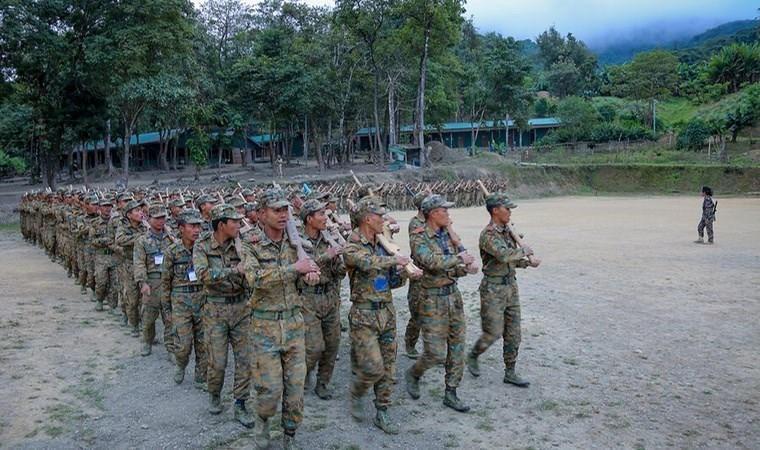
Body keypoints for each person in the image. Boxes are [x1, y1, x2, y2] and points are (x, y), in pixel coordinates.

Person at [242, 189, 319, 449]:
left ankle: (290, 434)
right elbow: (255, 279)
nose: (283, 214)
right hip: (264, 327)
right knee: (270, 390)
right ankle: (262, 422)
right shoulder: (250, 242)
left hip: (295, 324)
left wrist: (309, 275)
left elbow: (309, 269)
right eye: (276, 210)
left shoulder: (296, 242)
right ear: (262, 214)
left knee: (296, 390)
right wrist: (293, 269)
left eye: (286, 209)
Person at [343, 196, 419, 434]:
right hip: (364, 315)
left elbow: (390, 282)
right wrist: (393, 260)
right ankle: (357, 391)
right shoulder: (353, 245)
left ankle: (382, 411)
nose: (384, 220)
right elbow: (366, 263)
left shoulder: (383, 244)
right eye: (380, 216)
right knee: (373, 367)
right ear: (368, 218)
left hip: (386, 312)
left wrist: (405, 273)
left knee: (388, 367)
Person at [406, 195, 477, 412]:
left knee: (457, 345)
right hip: (432, 299)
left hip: (453, 296)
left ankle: (451, 392)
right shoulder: (419, 238)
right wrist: (460, 260)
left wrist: (465, 269)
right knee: (435, 353)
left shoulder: (447, 236)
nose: (448, 214)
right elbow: (431, 262)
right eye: (444, 210)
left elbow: (452, 267)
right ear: (433, 213)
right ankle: (414, 373)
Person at [466, 193, 540, 387]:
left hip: (510, 286)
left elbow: (512, 260)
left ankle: (510, 371)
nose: (510, 212)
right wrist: (525, 250)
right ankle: (473, 355)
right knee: (493, 332)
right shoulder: (488, 235)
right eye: (507, 209)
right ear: (495, 210)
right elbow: (504, 255)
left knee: (514, 332)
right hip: (493, 289)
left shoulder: (508, 231)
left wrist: (526, 263)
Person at [192, 203, 253, 427]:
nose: (239, 225)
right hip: (215, 311)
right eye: (234, 222)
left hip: (241, 308)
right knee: (217, 362)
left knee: (245, 359)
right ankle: (215, 393)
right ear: (221, 225)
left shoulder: (241, 245)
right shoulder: (202, 246)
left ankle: (240, 403)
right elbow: (202, 274)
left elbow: (251, 272)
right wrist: (233, 271)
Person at [299, 199, 346, 400]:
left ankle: (323, 383)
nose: (325, 219)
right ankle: (301, 376)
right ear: (309, 219)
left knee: (332, 344)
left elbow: (340, 272)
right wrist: (326, 256)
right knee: (314, 347)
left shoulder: (329, 238)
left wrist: (341, 259)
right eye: (321, 215)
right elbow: (300, 266)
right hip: (308, 299)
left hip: (330, 296)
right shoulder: (297, 241)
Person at [161, 209, 207, 390]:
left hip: (203, 300)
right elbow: (165, 282)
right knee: (183, 344)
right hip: (180, 302)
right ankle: (181, 364)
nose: (196, 230)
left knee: (203, 343)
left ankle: (201, 377)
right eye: (192, 226)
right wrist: (167, 310)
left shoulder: (204, 249)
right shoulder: (172, 252)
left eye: (198, 226)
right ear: (181, 228)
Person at [115, 200, 147, 337]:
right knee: (132, 298)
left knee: (146, 299)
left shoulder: (145, 226)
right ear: (129, 215)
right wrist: (140, 237)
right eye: (137, 211)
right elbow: (120, 240)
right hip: (129, 265)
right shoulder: (123, 227)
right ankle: (134, 324)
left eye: (141, 210)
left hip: (145, 265)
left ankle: (145, 328)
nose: (141, 213)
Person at [404, 191, 428, 359]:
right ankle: (410, 343)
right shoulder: (415, 223)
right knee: (417, 313)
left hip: (434, 273)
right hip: (419, 272)